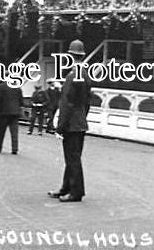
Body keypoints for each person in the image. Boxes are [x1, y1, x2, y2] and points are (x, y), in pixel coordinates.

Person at [47, 40, 92, 203]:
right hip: (79, 122)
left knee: (72, 159)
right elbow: (87, 101)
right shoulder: (85, 75)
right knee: (73, 157)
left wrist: (60, 126)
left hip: (71, 124)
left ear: (70, 56)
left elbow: (66, 103)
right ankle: (66, 187)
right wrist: (82, 117)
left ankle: (76, 192)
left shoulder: (72, 76)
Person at [0, 79, 22, 154]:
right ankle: (15, 149)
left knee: (1, 131)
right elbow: (21, 101)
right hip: (15, 112)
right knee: (14, 131)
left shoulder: (1, 87)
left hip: (4, 112)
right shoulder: (17, 87)